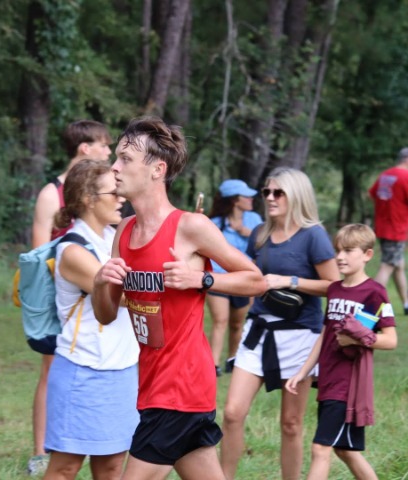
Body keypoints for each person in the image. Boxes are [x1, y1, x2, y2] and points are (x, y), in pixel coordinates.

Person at [91, 116, 266, 480]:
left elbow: (255, 280)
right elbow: (106, 315)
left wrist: (200, 279)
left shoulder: (189, 226)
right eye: (117, 157)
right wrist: (99, 282)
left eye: (125, 159)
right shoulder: (124, 231)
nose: (115, 167)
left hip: (180, 386)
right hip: (152, 381)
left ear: (157, 169)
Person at [220, 167, 340, 480]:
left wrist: (290, 280)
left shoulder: (313, 235)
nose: (270, 198)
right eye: (267, 192)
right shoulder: (260, 233)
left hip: (299, 336)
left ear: (296, 196)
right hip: (258, 331)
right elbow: (247, 277)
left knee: (291, 424)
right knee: (232, 413)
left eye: (278, 192)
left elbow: (335, 286)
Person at [42, 159, 139, 480]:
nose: (121, 198)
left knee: (111, 467)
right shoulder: (72, 250)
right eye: (113, 192)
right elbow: (121, 295)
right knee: (65, 467)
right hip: (82, 370)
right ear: (88, 198)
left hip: (123, 368)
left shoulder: (115, 238)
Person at [28, 120, 113, 475]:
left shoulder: (107, 192)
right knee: (51, 369)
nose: (109, 151)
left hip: (96, 291)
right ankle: (41, 450)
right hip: (64, 290)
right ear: (84, 148)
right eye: (103, 145)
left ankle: (83, 442)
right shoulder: (52, 193)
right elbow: (40, 253)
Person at [285, 223, 397, 480]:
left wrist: (360, 339)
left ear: (367, 255)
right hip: (328, 379)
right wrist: (303, 371)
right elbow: (325, 334)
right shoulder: (334, 289)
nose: (340, 257)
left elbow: (391, 340)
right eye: (338, 250)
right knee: (345, 450)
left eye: (348, 251)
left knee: (320, 448)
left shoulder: (375, 293)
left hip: (348, 384)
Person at [206, 179, 263, 376]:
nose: (251, 199)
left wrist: (245, 232)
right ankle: (213, 365)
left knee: (237, 323)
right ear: (234, 200)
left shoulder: (254, 220)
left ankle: (233, 359)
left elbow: (265, 242)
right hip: (218, 279)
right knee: (220, 320)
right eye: (246, 196)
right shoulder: (214, 224)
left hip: (243, 280)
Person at [369, 147, 408, 314]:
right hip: (396, 229)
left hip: (383, 227)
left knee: (398, 265)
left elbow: (372, 194)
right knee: (388, 265)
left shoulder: (386, 175)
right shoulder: (405, 176)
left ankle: (406, 303)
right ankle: (368, 305)